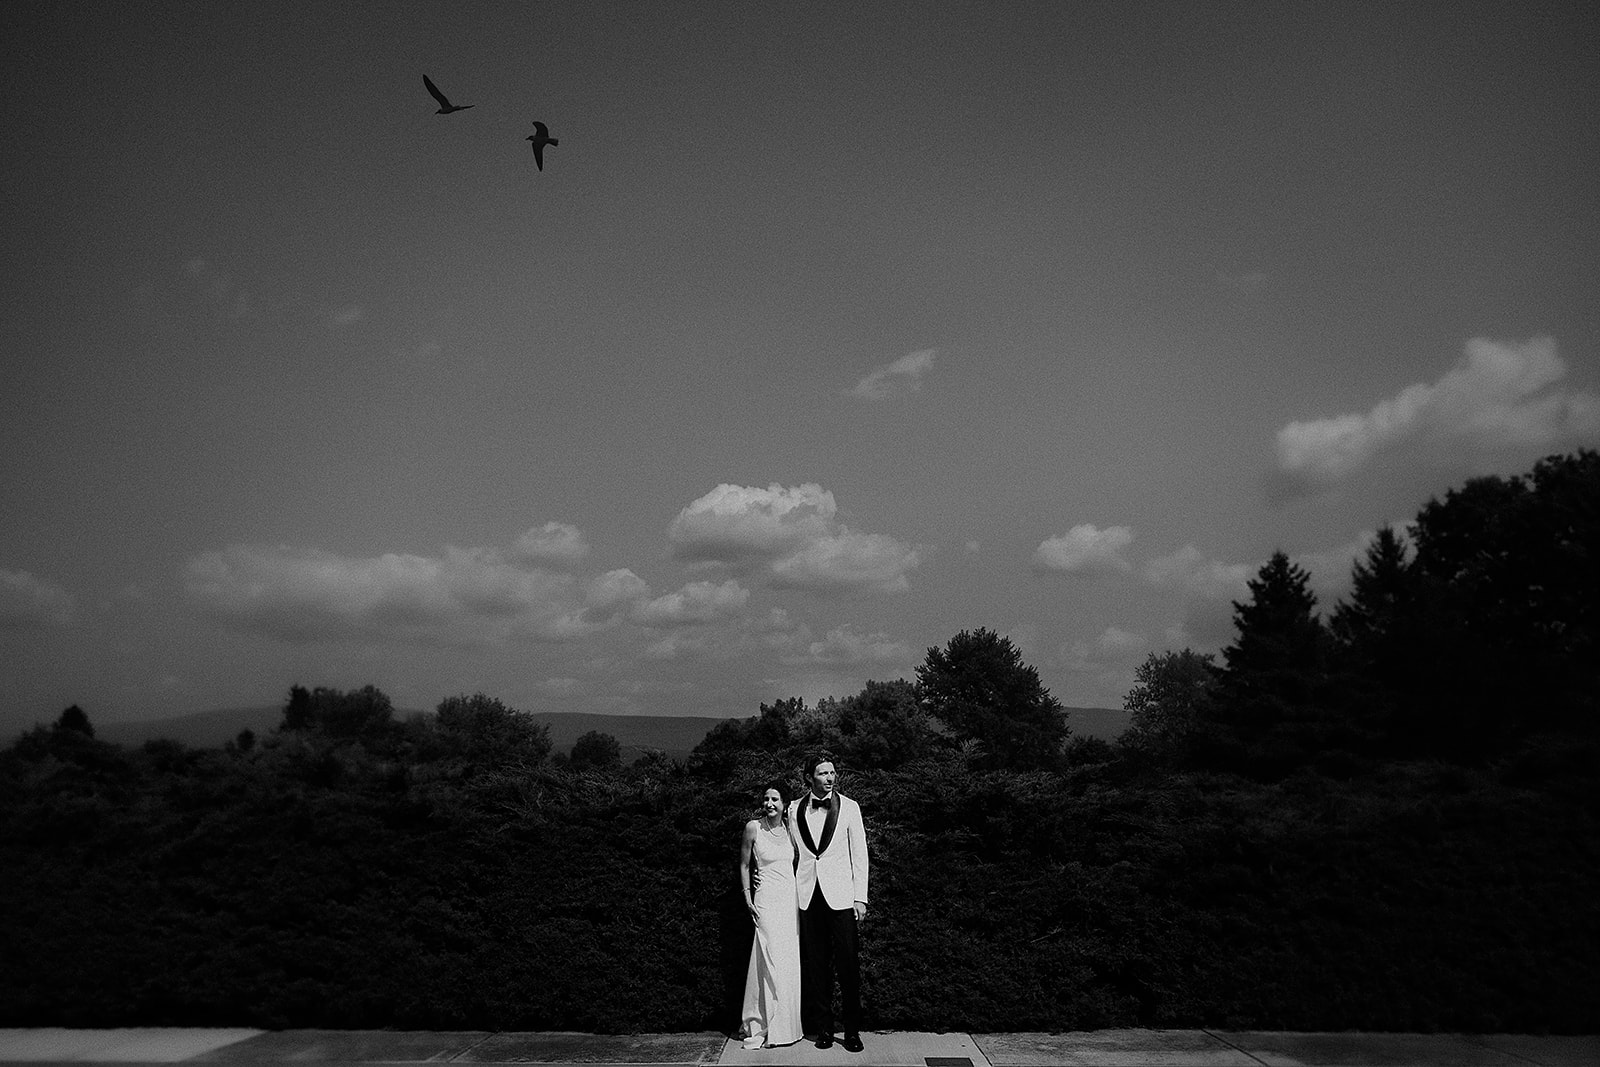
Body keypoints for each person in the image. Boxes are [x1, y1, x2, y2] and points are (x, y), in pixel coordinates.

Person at [788, 755, 868, 1053]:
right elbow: (791, 852)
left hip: (842, 898)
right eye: (823, 773)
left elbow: (859, 855)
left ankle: (852, 1031)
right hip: (808, 896)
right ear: (809, 777)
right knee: (817, 967)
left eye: (833, 772)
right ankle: (823, 1028)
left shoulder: (850, 807)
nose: (830, 777)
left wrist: (860, 897)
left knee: (848, 966)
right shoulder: (794, 808)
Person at [738, 782, 802, 1049]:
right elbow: (743, 865)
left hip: (790, 902)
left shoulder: (792, 831)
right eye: (766, 799)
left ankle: (788, 1028)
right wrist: (748, 896)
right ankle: (764, 1025)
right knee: (768, 958)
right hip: (765, 901)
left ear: (784, 803)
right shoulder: (753, 827)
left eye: (775, 799)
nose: (770, 803)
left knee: (788, 964)